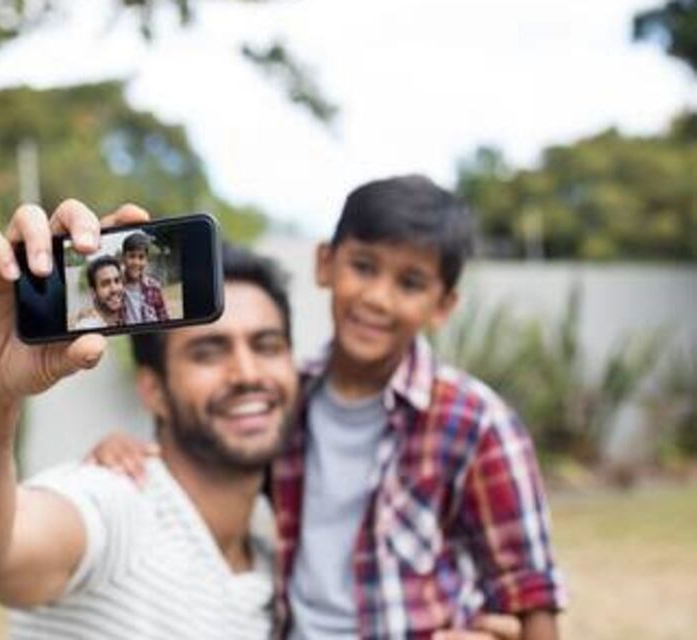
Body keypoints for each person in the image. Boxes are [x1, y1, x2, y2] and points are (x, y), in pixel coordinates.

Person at [93, 176, 565, 640]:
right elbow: (206, 464)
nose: (377, 298)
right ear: (325, 264)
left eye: (411, 282)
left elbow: (529, 587)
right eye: (363, 267)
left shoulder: (476, 422)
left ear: (442, 306)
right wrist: (123, 448)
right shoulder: (284, 400)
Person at [0, 200, 299, 639]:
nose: (247, 374)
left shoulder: (278, 570)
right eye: (208, 352)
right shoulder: (117, 505)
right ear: (153, 390)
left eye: (267, 345)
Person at [120, 230, 170, 324]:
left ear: (146, 260)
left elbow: (164, 318)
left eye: (141, 257)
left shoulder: (154, 287)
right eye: (131, 256)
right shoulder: (117, 288)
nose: (136, 262)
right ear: (123, 258)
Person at [71, 254, 125, 329]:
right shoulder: (87, 327)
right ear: (93, 292)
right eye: (105, 284)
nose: (114, 289)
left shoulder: (127, 316)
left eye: (117, 281)